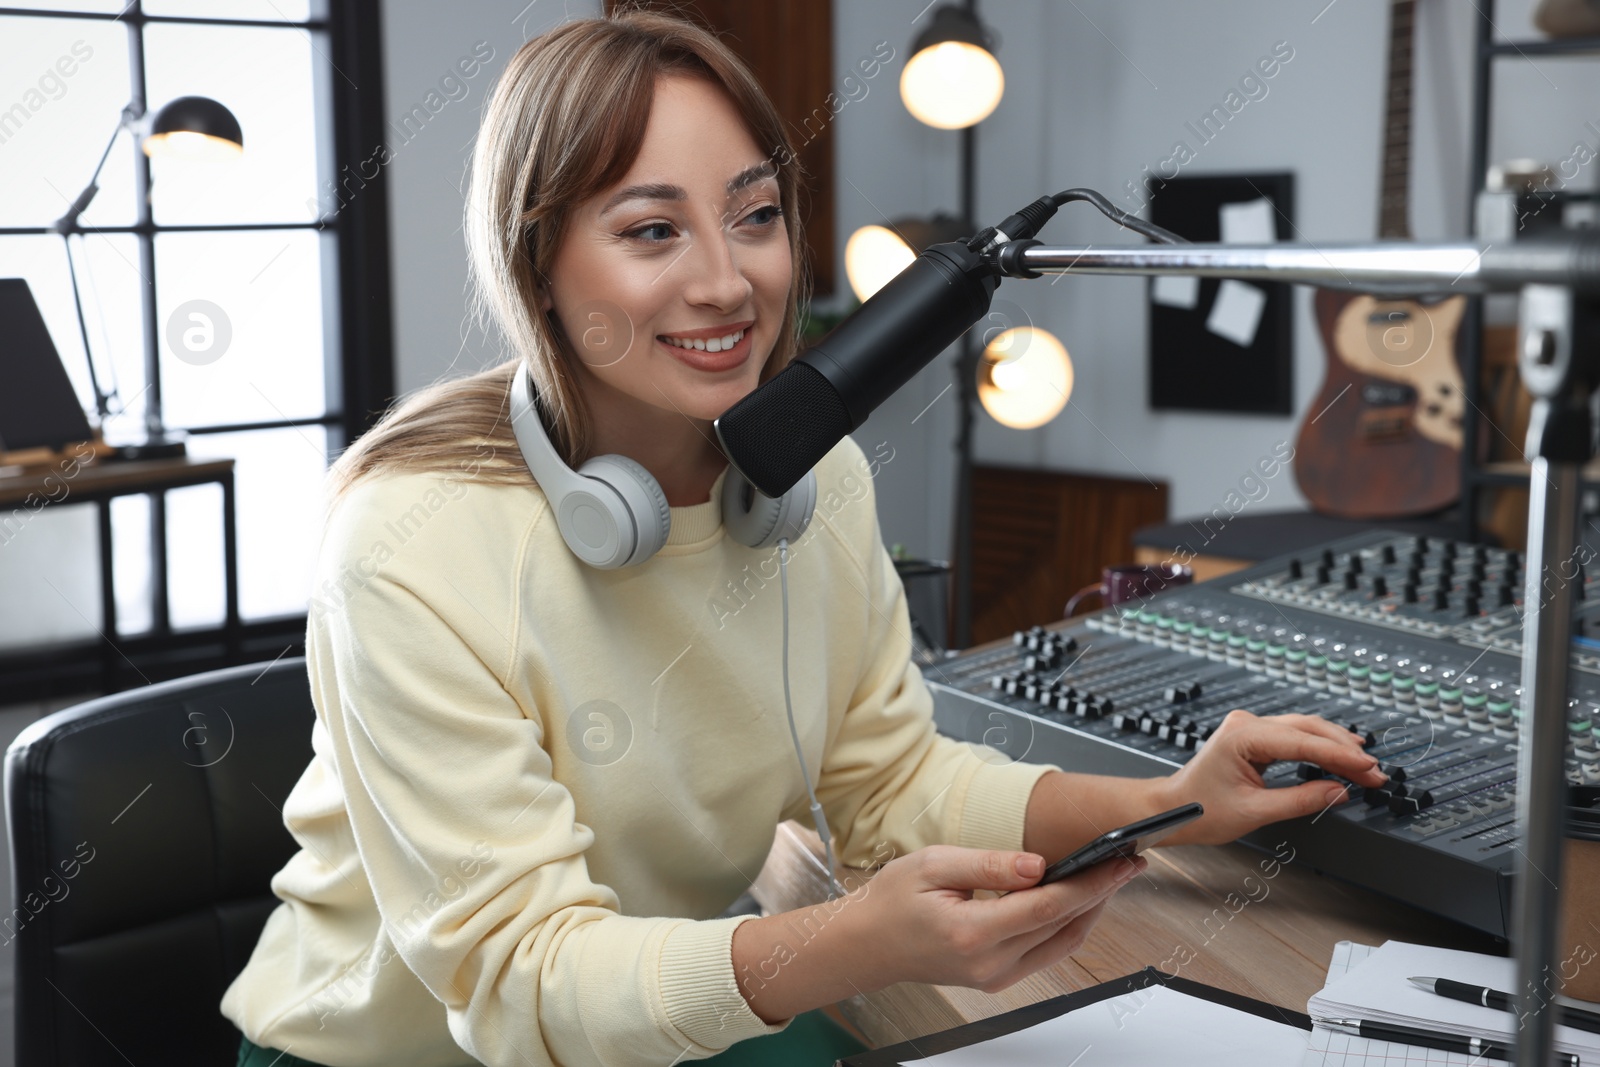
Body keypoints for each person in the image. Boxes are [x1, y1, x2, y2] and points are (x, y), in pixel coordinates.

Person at [221, 10, 1389, 1067]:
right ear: (537, 263)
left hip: (651, 1011)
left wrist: (1170, 797)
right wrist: (843, 945)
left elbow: (893, 781)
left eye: (756, 215)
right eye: (651, 230)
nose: (728, 282)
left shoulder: (810, 479)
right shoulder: (409, 541)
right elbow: (517, 979)